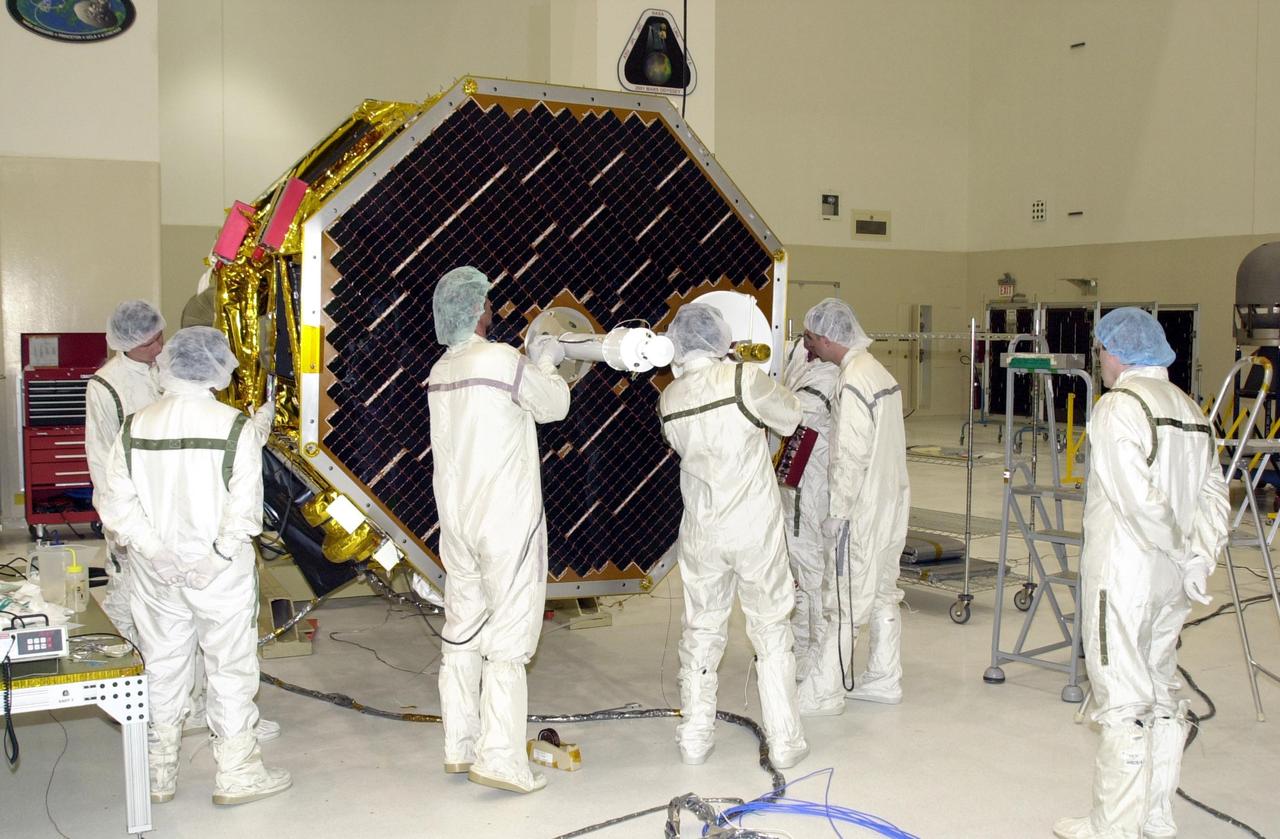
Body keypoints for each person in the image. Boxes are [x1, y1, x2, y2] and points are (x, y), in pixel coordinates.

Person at [1054, 308, 1228, 839]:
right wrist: (1198, 558)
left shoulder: (1118, 408)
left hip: (1124, 578)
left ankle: (1114, 825)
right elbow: (1214, 497)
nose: (1100, 361)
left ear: (1120, 353)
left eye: (1103, 351)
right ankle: (1154, 814)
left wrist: (1179, 547)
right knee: (1160, 688)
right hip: (1171, 583)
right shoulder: (1191, 410)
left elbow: (1137, 501)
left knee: (1124, 699)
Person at [97, 326, 288, 807]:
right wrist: (214, 559)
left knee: (162, 668)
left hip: (154, 576)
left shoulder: (135, 427)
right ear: (218, 368)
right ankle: (237, 772)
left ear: (170, 365)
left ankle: (158, 773)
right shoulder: (234, 427)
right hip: (219, 577)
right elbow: (244, 512)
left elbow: (116, 503)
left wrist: (156, 553)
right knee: (230, 668)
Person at [428, 266, 571, 794]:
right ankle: (502, 758)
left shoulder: (442, 369)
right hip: (505, 522)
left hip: (458, 522)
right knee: (509, 641)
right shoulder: (499, 360)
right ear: (478, 310)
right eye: (487, 301)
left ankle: (459, 745)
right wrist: (547, 363)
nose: (491, 307)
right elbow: (554, 407)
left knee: (462, 631)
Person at [659, 303, 808, 769]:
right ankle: (784, 741)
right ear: (721, 338)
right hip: (753, 527)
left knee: (702, 630)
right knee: (770, 628)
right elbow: (790, 416)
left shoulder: (669, 398)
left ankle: (695, 737)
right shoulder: (743, 380)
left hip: (702, 528)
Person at [803, 298, 910, 706]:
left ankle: (824, 692)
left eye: (812, 338)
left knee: (844, 599)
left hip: (862, 508)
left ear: (829, 337)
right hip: (892, 501)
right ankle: (884, 677)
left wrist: (837, 512)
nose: (810, 346)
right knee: (883, 591)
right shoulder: (877, 371)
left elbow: (850, 454)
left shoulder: (851, 382)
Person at [85, 300, 166, 644]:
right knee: (127, 588)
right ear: (126, 344)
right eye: (150, 344)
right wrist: (115, 518)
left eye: (161, 338)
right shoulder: (105, 386)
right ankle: (124, 659)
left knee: (165, 592)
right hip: (129, 498)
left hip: (167, 498)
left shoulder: (168, 369)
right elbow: (100, 455)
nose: (159, 348)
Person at [777, 339, 846, 716]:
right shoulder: (803, 362)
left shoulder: (827, 374)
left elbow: (795, 412)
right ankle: (801, 648)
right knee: (797, 573)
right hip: (796, 484)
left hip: (812, 484)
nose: (804, 341)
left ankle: (818, 654)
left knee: (812, 572)